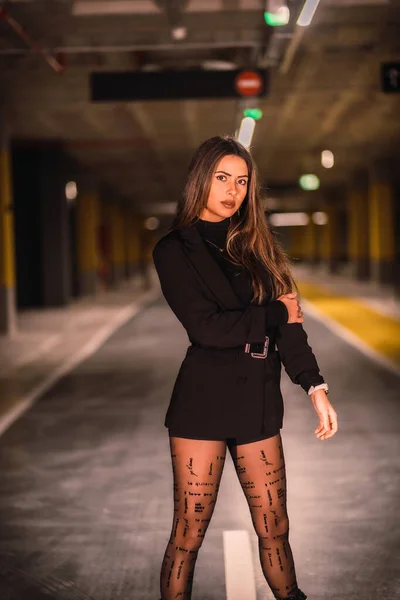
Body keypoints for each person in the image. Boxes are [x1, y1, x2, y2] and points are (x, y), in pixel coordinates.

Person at [152, 135, 338, 600]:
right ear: (201, 180)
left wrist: (315, 385)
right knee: (189, 533)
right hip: (202, 402)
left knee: (275, 526)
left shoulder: (261, 250)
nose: (232, 190)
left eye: (241, 181)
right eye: (222, 178)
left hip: (257, 397)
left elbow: (292, 330)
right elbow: (209, 329)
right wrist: (274, 312)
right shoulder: (175, 249)